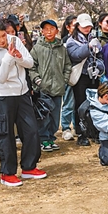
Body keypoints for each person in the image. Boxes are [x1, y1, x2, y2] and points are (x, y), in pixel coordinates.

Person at [0, 18, 47, 187]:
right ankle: (7, 173)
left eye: (3, 35)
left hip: (23, 92)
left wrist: (18, 57)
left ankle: (29, 167)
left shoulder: (14, 40)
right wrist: (9, 58)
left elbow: (29, 62)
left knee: (31, 130)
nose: (3, 40)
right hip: (4, 96)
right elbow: (0, 78)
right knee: (6, 134)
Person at [29, 19, 72, 152]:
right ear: (42, 31)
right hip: (43, 88)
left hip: (58, 88)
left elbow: (68, 66)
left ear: (57, 31)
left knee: (55, 116)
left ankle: (51, 137)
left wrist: (64, 80)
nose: (48, 31)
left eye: (51, 28)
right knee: (43, 115)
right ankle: (44, 139)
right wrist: (37, 80)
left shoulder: (61, 48)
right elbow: (31, 67)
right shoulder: (37, 48)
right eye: (46, 29)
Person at [66, 13, 102, 146]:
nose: (87, 29)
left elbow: (100, 55)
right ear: (78, 26)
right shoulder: (71, 41)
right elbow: (76, 55)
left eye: (89, 26)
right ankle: (81, 133)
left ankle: (93, 131)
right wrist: (88, 47)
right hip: (80, 76)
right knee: (80, 105)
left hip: (93, 75)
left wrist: (99, 66)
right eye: (84, 26)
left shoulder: (93, 38)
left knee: (95, 103)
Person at [59, 15, 78, 140]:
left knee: (79, 102)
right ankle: (66, 127)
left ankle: (78, 126)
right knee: (68, 103)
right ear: (68, 27)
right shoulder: (65, 41)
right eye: (75, 25)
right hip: (69, 76)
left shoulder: (83, 39)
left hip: (80, 75)